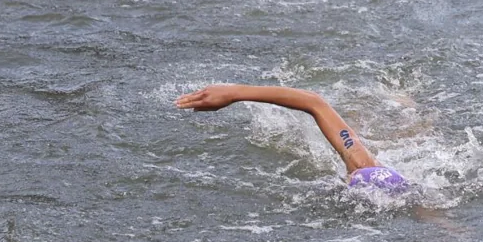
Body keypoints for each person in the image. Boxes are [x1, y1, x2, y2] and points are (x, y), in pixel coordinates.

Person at [175, 84, 409, 193]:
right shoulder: (363, 165)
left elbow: (315, 102)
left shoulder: (361, 167)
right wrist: (234, 93)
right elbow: (313, 102)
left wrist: (236, 92)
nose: (350, 174)